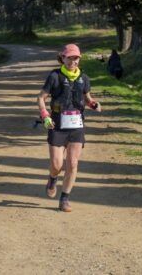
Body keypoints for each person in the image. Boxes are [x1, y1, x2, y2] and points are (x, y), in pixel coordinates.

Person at [37, 43, 101, 212]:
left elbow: (87, 98)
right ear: (63, 58)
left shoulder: (84, 78)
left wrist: (93, 104)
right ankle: (52, 178)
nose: (73, 61)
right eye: (70, 57)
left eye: (76, 57)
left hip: (76, 125)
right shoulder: (55, 76)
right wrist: (45, 116)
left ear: (79, 58)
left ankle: (64, 199)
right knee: (57, 164)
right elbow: (41, 98)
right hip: (57, 124)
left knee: (72, 163)